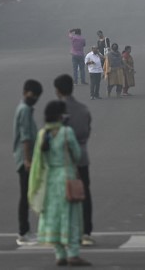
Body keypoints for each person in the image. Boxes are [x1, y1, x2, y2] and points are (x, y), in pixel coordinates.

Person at [27, 100, 90, 267]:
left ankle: (60, 254)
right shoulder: (66, 132)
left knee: (54, 217)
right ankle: (73, 254)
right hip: (67, 178)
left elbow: (39, 161)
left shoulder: (42, 134)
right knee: (71, 217)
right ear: (60, 115)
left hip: (50, 181)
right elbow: (76, 155)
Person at [54, 74, 97, 246]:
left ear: (57, 90)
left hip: (64, 161)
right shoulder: (83, 108)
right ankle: (86, 231)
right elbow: (87, 131)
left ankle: (67, 230)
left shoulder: (58, 110)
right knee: (84, 194)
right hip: (82, 156)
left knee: (64, 196)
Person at [13, 79, 42, 246]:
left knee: (27, 195)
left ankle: (26, 230)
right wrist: (27, 159)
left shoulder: (26, 108)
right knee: (25, 195)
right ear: (25, 92)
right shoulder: (24, 110)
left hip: (27, 158)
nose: (35, 98)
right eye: (33, 95)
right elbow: (25, 137)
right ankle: (23, 232)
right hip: (25, 160)